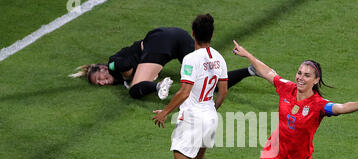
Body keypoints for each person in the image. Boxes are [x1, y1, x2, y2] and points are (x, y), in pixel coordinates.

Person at [152, 14, 228, 159]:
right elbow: (222, 92)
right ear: (211, 35)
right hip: (210, 115)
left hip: (193, 119)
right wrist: (211, 109)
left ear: (192, 33)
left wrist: (165, 112)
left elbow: (185, 92)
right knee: (199, 158)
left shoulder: (190, 59)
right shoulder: (219, 58)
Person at [69, 27, 258, 100]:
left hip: (159, 42)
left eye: (100, 77)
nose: (103, 82)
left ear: (102, 68)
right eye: (99, 83)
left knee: (135, 91)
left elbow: (125, 65)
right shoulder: (117, 72)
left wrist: (119, 70)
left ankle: (160, 86)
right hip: (178, 37)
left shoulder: (112, 62)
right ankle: (250, 70)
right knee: (208, 85)